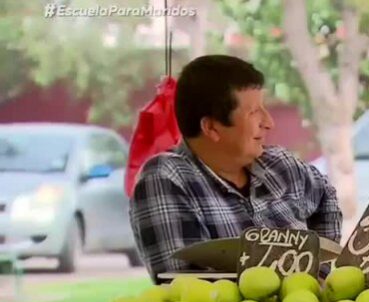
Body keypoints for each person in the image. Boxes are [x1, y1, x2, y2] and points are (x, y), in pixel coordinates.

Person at [130, 55, 342, 280]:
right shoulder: (166, 178)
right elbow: (186, 286)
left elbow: (325, 196)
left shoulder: (280, 165)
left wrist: (318, 273)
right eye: (253, 112)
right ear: (211, 127)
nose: (269, 122)